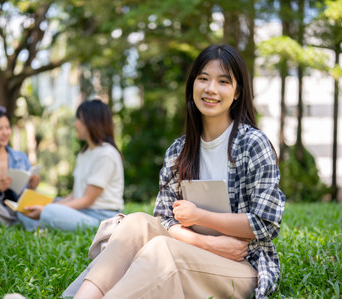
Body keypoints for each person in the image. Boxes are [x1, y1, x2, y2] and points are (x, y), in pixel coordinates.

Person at [72, 45, 286, 299]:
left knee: (162, 250)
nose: (211, 89)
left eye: (223, 81)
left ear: (238, 92)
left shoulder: (253, 144)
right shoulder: (179, 150)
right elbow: (163, 218)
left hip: (243, 264)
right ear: (192, 84)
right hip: (194, 249)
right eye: (203, 78)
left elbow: (265, 222)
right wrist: (207, 243)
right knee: (137, 222)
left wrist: (200, 216)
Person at [19, 99, 124, 232]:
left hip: (101, 218)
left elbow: (87, 200)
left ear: (91, 122)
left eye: (78, 119)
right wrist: (47, 205)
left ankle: (42, 223)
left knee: (49, 211)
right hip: (82, 212)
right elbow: (77, 194)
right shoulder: (84, 153)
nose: (75, 124)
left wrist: (47, 209)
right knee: (32, 206)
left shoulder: (106, 154)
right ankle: (42, 223)